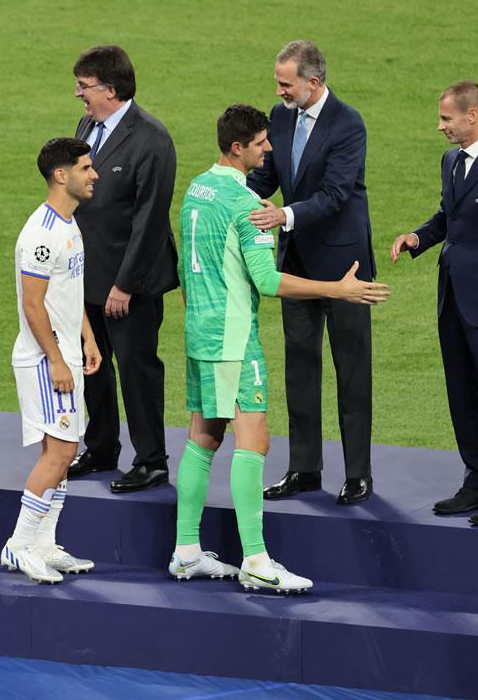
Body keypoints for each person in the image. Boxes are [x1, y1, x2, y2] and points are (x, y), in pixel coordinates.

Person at [172, 105, 389, 593]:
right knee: (254, 442)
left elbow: (186, 266)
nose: (269, 148)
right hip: (233, 339)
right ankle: (255, 560)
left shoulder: (197, 189)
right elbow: (269, 282)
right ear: (238, 148)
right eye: (261, 143)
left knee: (203, 437)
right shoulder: (247, 207)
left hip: (199, 331)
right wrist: (338, 290)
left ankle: (186, 552)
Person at [391, 81, 478, 527]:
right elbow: (448, 218)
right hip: (452, 299)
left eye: (446, 118)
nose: (440, 126)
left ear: (473, 115)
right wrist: (418, 238)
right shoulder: (451, 161)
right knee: (462, 395)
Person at [247, 41, 376, 506]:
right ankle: (304, 469)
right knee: (299, 368)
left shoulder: (348, 124)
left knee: (352, 372)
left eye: (286, 84)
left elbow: (336, 194)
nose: (278, 91)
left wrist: (284, 216)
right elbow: (265, 179)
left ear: (313, 82)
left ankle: (358, 474)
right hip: (298, 265)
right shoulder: (280, 117)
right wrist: (233, 191)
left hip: (346, 269)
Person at [65, 45, 180, 495]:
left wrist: (124, 286)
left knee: (137, 370)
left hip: (131, 283)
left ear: (110, 89)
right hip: (87, 274)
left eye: (84, 86)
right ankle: (101, 447)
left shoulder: (152, 139)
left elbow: (149, 220)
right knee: (92, 364)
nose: (79, 94)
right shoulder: (88, 126)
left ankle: (152, 460)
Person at [0, 138, 102, 584]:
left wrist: (88, 337)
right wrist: (57, 360)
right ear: (61, 175)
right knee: (60, 452)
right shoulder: (41, 234)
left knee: (62, 452)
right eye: (85, 168)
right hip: (45, 361)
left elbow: (68, 291)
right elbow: (33, 303)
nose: (94, 174)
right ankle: (19, 545)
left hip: (66, 355)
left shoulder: (68, 223)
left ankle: (44, 544)